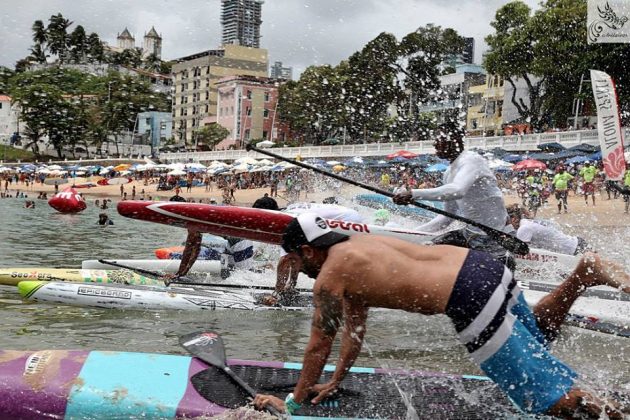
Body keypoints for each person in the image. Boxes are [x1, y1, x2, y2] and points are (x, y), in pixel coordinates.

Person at [253, 213, 628, 418]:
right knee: (539, 336)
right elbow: (354, 330)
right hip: (486, 269)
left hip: (467, 296)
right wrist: (335, 381)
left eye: (297, 262)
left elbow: (320, 343)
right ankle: (583, 274)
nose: (300, 272)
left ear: (307, 250)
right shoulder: (358, 249)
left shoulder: (329, 278)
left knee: (543, 400)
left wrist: (293, 405)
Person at [393, 135, 515, 268]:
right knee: (425, 251)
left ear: (454, 141)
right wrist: (411, 234)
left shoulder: (472, 160)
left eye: (439, 139)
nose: (435, 144)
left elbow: (457, 190)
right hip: (471, 234)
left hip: (497, 239)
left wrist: (413, 194)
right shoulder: (448, 174)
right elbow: (446, 218)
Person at [260, 200, 364, 306]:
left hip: (348, 221)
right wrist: (291, 285)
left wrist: (276, 294)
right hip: (351, 216)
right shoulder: (290, 210)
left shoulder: (288, 221)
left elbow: (286, 260)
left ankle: (342, 293)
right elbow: (295, 258)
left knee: (326, 258)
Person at [506, 204, 590, 255]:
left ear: (513, 219)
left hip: (574, 250)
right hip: (578, 243)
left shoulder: (524, 229)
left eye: (505, 222)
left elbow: (522, 253)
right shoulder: (527, 222)